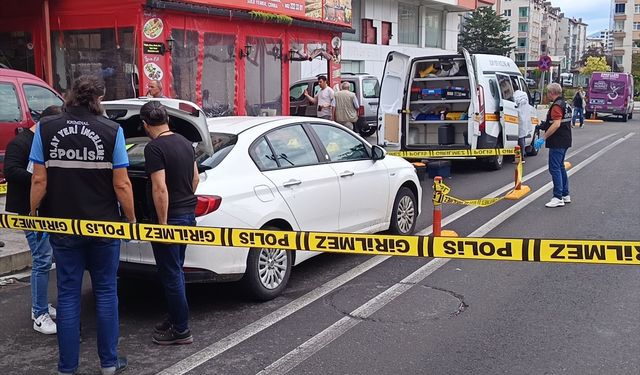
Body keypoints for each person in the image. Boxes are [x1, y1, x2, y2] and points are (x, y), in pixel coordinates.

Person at [29, 75, 135, 375]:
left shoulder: (46, 128)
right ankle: (109, 363)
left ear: (70, 95)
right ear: (98, 99)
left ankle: (67, 368)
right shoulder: (112, 131)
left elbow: (39, 179)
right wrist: (131, 219)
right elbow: (122, 184)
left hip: (62, 226)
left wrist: (32, 213)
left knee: (68, 294)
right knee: (105, 291)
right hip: (104, 227)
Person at [140, 101, 198, 345]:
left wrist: (162, 224)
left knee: (171, 273)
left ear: (145, 125)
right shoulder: (185, 142)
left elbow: (160, 188)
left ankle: (181, 330)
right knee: (177, 270)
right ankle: (176, 316)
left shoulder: (154, 148)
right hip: (187, 215)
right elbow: (195, 178)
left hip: (170, 218)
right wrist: (185, 200)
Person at [4, 105, 62, 335]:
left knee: (46, 259)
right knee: (41, 259)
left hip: (45, 210)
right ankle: (39, 313)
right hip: (28, 211)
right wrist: (39, 178)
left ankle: (41, 304)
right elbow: (10, 171)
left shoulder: (44, 142)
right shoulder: (19, 143)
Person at [534, 83, 573, 208]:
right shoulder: (565, 104)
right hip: (565, 139)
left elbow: (556, 124)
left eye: (547, 93)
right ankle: (565, 194)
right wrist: (543, 125)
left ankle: (557, 197)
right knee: (560, 167)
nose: (547, 95)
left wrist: (543, 138)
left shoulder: (556, 106)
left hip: (558, 141)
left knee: (554, 168)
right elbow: (558, 122)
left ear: (552, 93)